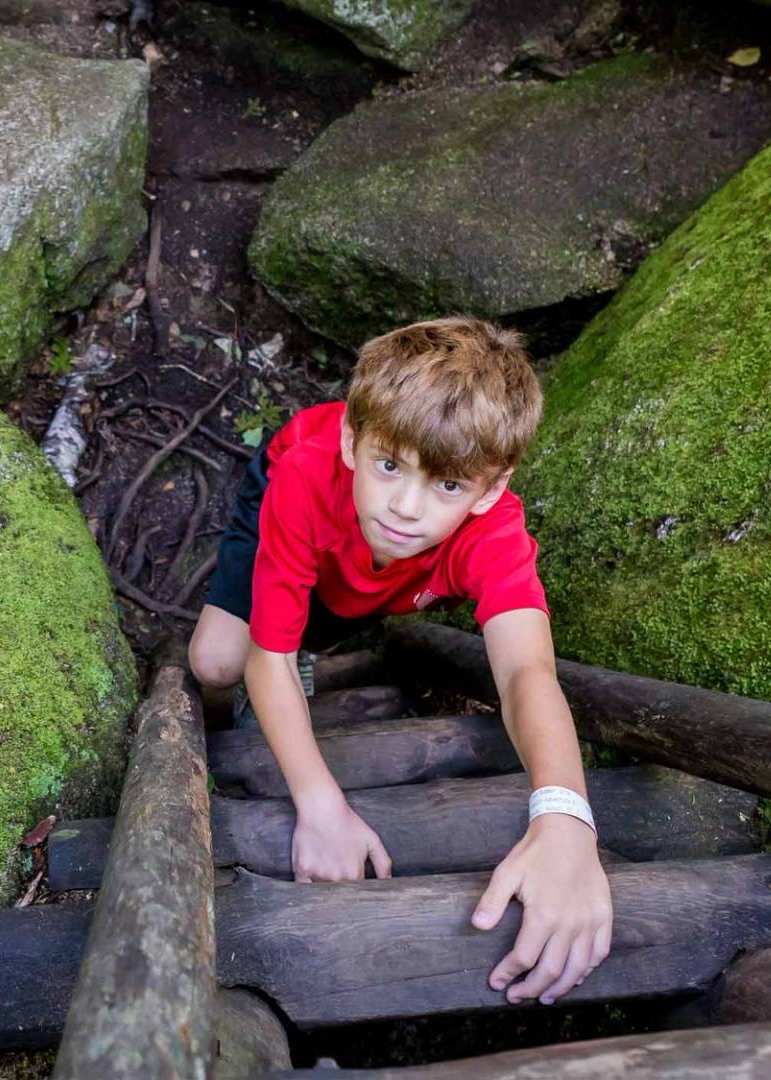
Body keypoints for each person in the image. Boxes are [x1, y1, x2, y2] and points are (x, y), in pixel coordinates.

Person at [186, 315, 612, 1006]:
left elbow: (526, 670)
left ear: (492, 489)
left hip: (368, 574)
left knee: (348, 606)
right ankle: (313, 609)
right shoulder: (304, 473)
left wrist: (565, 818)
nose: (408, 508)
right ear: (354, 443)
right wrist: (321, 805)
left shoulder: (493, 531)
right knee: (214, 660)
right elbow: (269, 656)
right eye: (390, 466)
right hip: (304, 514)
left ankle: (340, 609)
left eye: (448, 486)